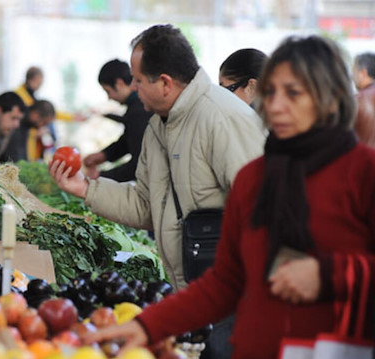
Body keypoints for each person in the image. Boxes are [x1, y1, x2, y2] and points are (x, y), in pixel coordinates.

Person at [85, 35, 373, 359]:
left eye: (293, 93)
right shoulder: (253, 179)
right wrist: (149, 326)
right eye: (272, 91)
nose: (276, 105)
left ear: (331, 99)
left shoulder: (364, 175)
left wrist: (330, 274)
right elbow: (225, 282)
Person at [49, 24, 265, 359]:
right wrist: (85, 189)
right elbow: (147, 206)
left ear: (164, 82)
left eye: (138, 80)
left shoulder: (222, 118)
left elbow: (262, 216)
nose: (133, 88)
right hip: (197, 298)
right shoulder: (158, 128)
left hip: (235, 302)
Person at [83, 59, 152, 182]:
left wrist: (100, 178)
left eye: (108, 91)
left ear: (119, 83)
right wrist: (103, 155)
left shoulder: (141, 109)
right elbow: (129, 140)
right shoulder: (135, 108)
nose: (109, 97)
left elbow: (140, 165)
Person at [353, 52, 375, 148]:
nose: (353, 78)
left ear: (363, 73)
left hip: (367, 160)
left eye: (354, 73)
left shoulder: (358, 100)